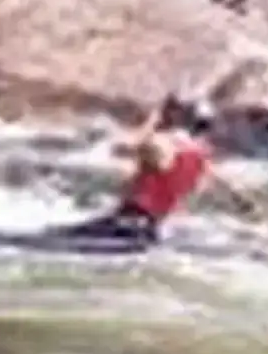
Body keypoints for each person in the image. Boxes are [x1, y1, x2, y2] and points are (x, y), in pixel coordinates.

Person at [49, 93, 257, 246]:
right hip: (151, 230)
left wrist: (151, 122)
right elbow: (232, 192)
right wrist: (248, 208)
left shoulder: (164, 143)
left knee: (51, 240)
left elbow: (121, 148)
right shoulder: (201, 157)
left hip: (127, 222)